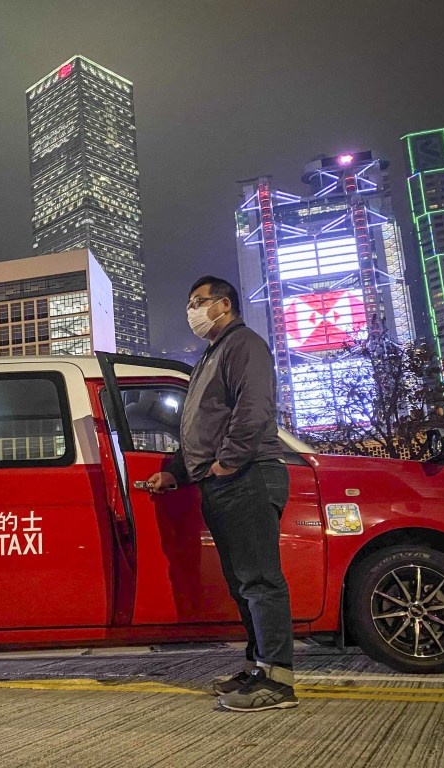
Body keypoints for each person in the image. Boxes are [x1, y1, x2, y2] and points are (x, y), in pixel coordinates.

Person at [146, 275, 297, 712]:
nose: (191, 310)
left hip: (247, 476)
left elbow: (253, 408)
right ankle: (258, 667)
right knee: (242, 581)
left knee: (260, 579)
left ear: (223, 304)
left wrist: (228, 461)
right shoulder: (210, 355)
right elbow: (200, 425)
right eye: (190, 302)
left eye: (199, 301)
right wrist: (177, 471)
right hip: (223, 481)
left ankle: (279, 681)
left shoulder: (242, 344)